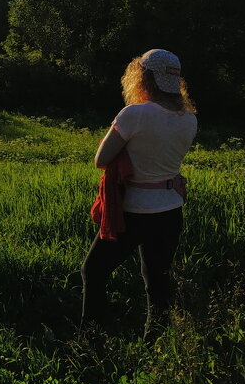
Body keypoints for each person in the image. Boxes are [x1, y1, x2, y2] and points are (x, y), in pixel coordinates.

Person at [81, 48, 198, 338]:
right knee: (156, 281)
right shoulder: (189, 119)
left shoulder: (135, 114)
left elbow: (102, 160)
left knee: (93, 271)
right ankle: (154, 342)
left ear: (143, 77)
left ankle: (91, 338)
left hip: (134, 211)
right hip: (170, 210)